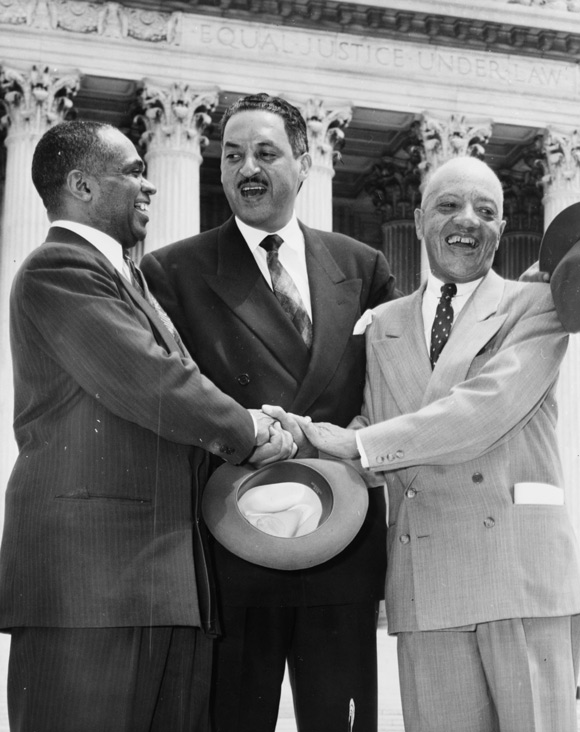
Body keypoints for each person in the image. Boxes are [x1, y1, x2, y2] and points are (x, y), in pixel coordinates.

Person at [0, 119, 292, 732]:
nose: (150, 185)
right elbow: (152, 382)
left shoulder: (126, 278)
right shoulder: (58, 269)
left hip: (159, 584)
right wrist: (249, 430)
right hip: (93, 591)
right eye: (132, 171)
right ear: (81, 185)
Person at [284, 156, 580, 731]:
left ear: (502, 228)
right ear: (419, 220)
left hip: (516, 571)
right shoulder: (382, 323)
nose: (466, 221)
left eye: (486, 212)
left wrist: (359, 444)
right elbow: (370, 433)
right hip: (426, 578)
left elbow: (483, 411)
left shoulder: (537, 306)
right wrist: (302, 439)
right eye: (448, 206)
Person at [140, 93, 398, 732]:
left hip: (341, 540)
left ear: (304, 161)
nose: (246, 168)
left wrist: (368, 432)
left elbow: (392, 387)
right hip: (235, 544)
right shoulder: (172, 271)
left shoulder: (363, 267)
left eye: (265, 152)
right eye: (231, 155)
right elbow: (168, 398)